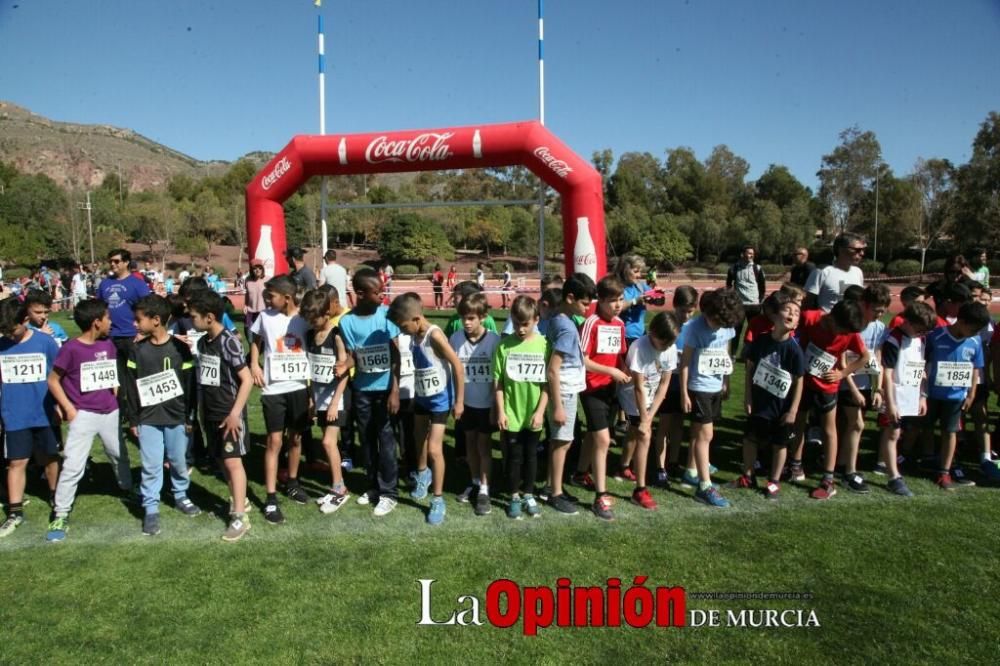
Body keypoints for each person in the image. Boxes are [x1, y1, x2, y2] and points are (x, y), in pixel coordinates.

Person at [45, 299, 133, 542]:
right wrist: (67, 408)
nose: (111, 322)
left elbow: (110, 370)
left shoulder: (108, 344)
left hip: (110, 412)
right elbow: (53, 380)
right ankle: (61, 512)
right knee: (73, 464)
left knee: (118, 454)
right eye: (108, 318)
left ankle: (127, 488)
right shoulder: (71, 349)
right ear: (96, 322)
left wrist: (114, 387)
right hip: (83, 414)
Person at [123, 295, 200, 536]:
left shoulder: (180, 349)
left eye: (139, 320)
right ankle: (151, 507)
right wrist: (133, 419)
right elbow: (130, 387)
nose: (135, 324)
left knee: (178, 459)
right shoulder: (137, 351)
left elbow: (189, 385)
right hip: (148, 419)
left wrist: (188, 417)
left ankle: (180, 494)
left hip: (176, 416)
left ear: (156, 320)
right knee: (151, 464)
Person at [389, 292, 465, 525]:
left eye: (403, 326)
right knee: (417, 436)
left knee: (434, 449)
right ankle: (423, 473)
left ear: (417, 319)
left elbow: (458, 366)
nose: (402, 331)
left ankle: (438, 498)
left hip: (440, 400)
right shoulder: (414, 336)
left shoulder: (435, 336)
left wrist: (459, 401)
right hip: (422, 396)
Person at [185, 290, 255, 541]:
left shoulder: (229, 341)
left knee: (233, 462)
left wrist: (235, 414)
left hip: (229, 414)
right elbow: (205, 380)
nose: (190, 319)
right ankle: (240, 500)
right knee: (222, 460)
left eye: (193, 316)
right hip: (211, 413)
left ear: (209, 317)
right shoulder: (203, 342)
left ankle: (239, 518)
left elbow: (246, 380)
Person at [788, 299, 870, 500]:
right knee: (799, 423)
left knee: (829, 429)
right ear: (832, 317)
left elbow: (865, 357)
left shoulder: (849, 332)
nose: (841, 335)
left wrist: (842, 374)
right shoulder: (810, 318)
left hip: (827, 385)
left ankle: (828, 479)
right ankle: (795, 466)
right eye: (840, 330)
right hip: (803, 381)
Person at [338, 268, 402, 517]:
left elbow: (396, 354)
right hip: (362, 390)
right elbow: (355, 356)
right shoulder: (347, 322)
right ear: (361, 293)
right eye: (377, 292)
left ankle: (389, 493)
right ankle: (373, 486)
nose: (382, 295)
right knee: (366, 442)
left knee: (386, 441)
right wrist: (346, 365)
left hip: (385, 389)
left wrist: (394, 390)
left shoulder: (386, 315)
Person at [249, 275, 311, 524]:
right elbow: (255, 341)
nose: (266, 300)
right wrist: (254, 364)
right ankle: (271, 495)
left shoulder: (303, 320)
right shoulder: (265, 317)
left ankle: (293, 482)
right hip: (273, 389)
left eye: (270, 296)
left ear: (286, 298)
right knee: (274, 441)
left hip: (298, 387)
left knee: (295, 438)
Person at [734, 292, 805, 500]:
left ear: (797, 323)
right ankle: (748, 475)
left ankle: (773, 482)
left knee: (779, 444)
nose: (792, 314)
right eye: (787, 310)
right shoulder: (761, 341)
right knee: (750, 439)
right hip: (759, 401)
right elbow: (749, 369)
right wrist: (748, 397)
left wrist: (793, 410)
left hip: (781, 407)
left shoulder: (794, 350)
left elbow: (800, 380)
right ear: (775, 316)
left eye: (796, 312)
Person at [0, 298, 60, 538]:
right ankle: (15, 513)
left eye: (11, 329)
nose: (8, 335)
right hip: (14, 414)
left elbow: (59, 376)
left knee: (50, 458)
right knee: (17, 462)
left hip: (44, 413)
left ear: (25, 320)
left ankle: (57, 499)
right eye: (3, 330)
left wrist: (59, 406)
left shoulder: (45, 343)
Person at [679, 289, 743, 508]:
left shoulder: (727, 327)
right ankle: (705, 486)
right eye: (713, 319)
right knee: (707, 434)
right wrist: (685, 392)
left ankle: (690, 470)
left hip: (716, 385)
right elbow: (685, 362)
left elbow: (725, 352)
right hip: (699, 387)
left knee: (699, 432)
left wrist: (726, 381)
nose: (715, 324)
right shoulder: (694, 329)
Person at [578, 276, 630, 520]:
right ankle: (601, 496)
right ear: (600, 300)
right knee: (603, 440)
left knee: (594, 434)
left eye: (620, 299)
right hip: (591, 389)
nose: (618, 305)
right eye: (612, 301)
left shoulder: (619, 324)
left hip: (611, 389)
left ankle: (579, 473)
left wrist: (625, 373)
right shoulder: (592, 323)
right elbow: (583, 359)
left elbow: (619, 356)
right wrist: (611, 371)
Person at [493, 295, 549, 519]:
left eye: (525, 324)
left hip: (533, 414)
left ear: (536, 319)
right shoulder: (504, 346)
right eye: (516, 323)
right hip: (511, 414)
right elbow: (497, 383)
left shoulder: (545, 345)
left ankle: (528, 493)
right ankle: (514, 495)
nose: (521, 329)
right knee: (515, 456)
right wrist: (501, 410)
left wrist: (540, 411)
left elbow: (547, 383)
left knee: (531, 456)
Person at [543, 274, 595, 515]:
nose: (588, 307)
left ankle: (551, 485)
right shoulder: (565, 326)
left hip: (566, 389)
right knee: (563, 442)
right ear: (570, 298)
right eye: (585, 303)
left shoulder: (562, 319)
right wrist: (559, 406)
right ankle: (555, 493)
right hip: (563, 390)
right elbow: (553, 370)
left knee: (561, 441)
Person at [618, 311, 680, 509]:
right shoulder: (639, 348)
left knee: (636, 432)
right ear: (652, 333)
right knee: (644, 435)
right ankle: (640, 489)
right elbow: (637, 388)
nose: (666, 348)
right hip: (632, 397)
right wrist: (645, 419)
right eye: (663, 343)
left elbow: (664, 384)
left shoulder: (670, 347)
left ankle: (623, 466)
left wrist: (650, 415)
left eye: (669, 344)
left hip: (652, 396)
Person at [925, 302, 990, 490]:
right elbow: (923, 359)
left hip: (956, 396)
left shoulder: (975, 341)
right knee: (925, 427)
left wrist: (971, 394)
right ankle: (927, 458)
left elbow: (976, 368)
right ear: (961, 321)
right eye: (973, 328)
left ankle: (944, 472)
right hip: (932, 393)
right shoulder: (936, 336)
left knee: (950, 431)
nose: (975, 332)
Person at [449, 292, 501, 516]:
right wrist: (456, 400)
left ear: (483, 317)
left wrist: (494, 406)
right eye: (464, 318)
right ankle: (473, 480)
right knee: (470, 442)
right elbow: (453, 371)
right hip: (465, 403)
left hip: (486, 404)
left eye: (471, 318)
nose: (467, 323)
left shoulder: (494, 340)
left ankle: (485, 488)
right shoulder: (456, 339)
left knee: (484, 445)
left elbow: (497, 376)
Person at [877, 301, 936, 495]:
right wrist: (891, 403)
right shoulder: (894, 339)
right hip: (895, 395)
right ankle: (894, 477)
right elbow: (887, 372)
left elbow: (921, 369)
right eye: (919, 330)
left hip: (911, 395)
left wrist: (922, 396)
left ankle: (886, 463)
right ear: (909, 322)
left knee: (900, 433)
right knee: (892, 433)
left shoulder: (920, 340)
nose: (921, 334)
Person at [836, 284, 890, 494]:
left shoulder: (878, 328)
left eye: (883, 309)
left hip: (865, 383)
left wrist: (878, 388)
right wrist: (852, 387)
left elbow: (877, 357)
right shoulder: (852, 323)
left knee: (852, 426)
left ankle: (842, 465)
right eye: (876, 309)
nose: (880, 313)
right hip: (846, 382)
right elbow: (841, 358)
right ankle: (850, 472)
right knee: (857, 424)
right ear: (864, 304)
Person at [653, 285, 698, 485]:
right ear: (675, 307)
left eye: (690, 311)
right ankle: (659, 467)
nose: (686, 315)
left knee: (679, 423)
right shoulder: (667, 323)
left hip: (684, 381)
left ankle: (673, 461)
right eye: (683, 311)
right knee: (664, 424)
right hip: (666, 380)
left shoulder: (695, 326)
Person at [97, 248, 151, 408]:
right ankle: (119, 411)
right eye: (110, 261)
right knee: (115, 378)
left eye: (116, 261)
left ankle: (141, 411)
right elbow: (100, 309)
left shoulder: (138, 284)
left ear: (126, 262)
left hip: (133, 336)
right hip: (110, 337)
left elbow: (148, 308)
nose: (112, 264)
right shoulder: (105, 284)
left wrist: (142, 332)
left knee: (138, 376)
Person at [803, 232, 866, 312]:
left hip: (853, 323)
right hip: (826, 323)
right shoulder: (822, 272)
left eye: (863, 250)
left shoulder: (858, 272)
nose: (862, 253)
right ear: (841, 249)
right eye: (857, 250)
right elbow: (806, 303)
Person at [726, 246, 766, 355]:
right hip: (740, 305)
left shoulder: (757, 268)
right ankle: (733, 354)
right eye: (748, 253)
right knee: (736, 332)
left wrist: (760, 300)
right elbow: (729, 286)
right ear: (742, 254)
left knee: (754, 332)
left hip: (755, 306)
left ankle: (751, 353)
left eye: (752, 253)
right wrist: (732, 300)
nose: (751, 255)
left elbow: (762, 287)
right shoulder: (733, 268)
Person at [243, 260, 267, 343]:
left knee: (262, 339)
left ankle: (255, 354)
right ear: (251, 270)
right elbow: (247, 294)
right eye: (255, 268)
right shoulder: (247, 280)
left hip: (263, 312)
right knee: (250, 338)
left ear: (263, 269)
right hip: (250, 312)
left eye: (260, 268)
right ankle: (252, 354)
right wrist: (245, 305)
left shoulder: (268, 280)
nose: (257, 270)